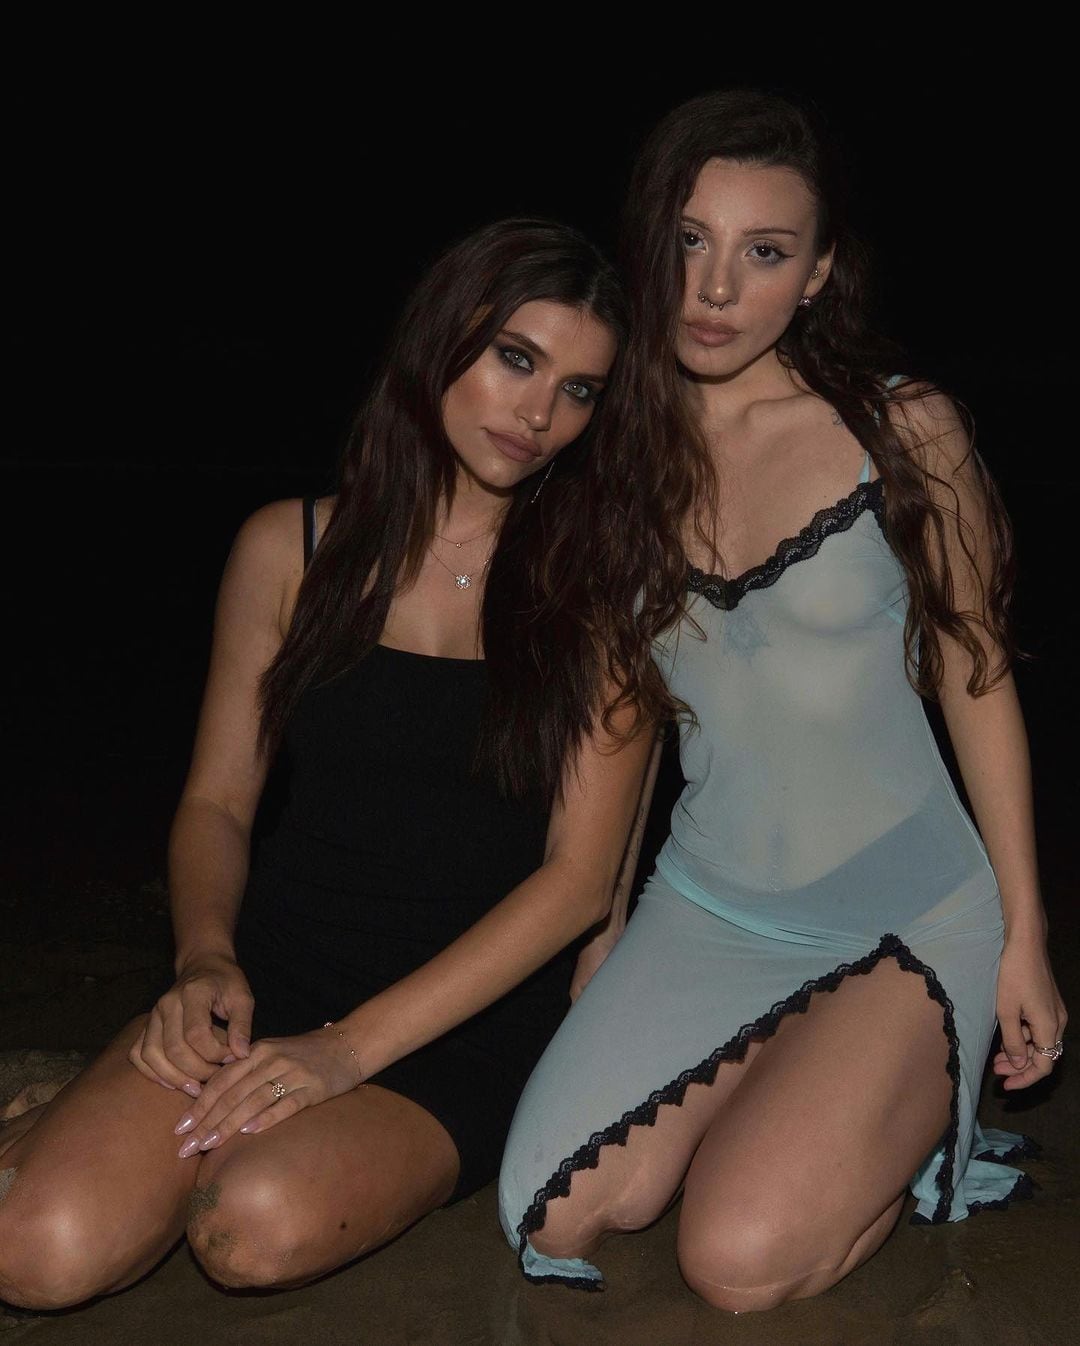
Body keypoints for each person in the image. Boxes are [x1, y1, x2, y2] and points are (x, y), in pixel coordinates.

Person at [0, 219, 657, 1308]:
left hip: (466, 1016)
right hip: (278, 969)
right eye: (517, 358)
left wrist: (346, 1052)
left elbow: (576, 884)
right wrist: (204, 959)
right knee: (40, 1251)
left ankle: (97, 1122)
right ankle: (80, 1126)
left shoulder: (596, 606)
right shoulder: (288, 551)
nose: (540, 413)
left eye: (580, 390)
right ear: (442, 338)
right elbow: (218, 801)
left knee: (248, 1224)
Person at [498, 92, 1067, 1312]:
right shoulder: (616, 457)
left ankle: (901, 1123)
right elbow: (629, 716)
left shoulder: (904, 430)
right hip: (709, 904)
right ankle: (807, 1079)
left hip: (903, 911)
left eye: (763, 252)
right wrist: (605, 925)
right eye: (690, 241)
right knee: (552, 1211)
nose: (715, 287)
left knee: (735, 1259)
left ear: (817, 274)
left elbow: (978, 674)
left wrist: (1027, 932)